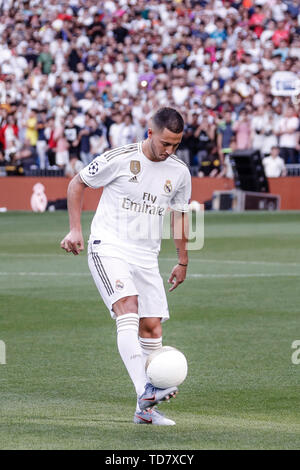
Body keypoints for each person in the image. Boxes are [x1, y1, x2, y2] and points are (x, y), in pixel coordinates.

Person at [60, 107, 191, 426]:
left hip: (147, 257)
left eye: (175, 144)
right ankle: (145, 389)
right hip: (109, 246)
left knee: (152, 327)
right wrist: (75, 229)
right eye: (165, 143)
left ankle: (145, 411)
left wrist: (182, 259)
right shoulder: (120, 157)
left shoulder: (180, 172)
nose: (169, 150)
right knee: (127, 308)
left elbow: (180, 215)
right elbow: (77, 184)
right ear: (150, 134)